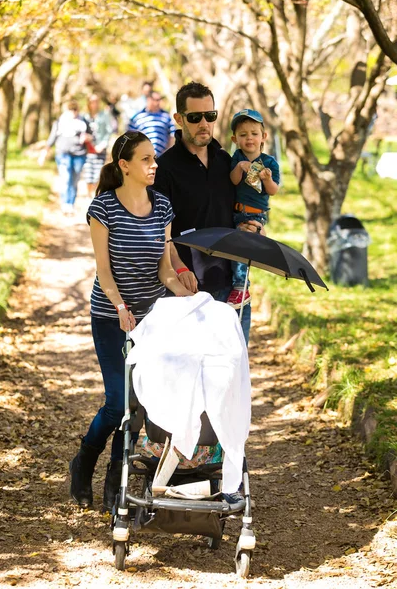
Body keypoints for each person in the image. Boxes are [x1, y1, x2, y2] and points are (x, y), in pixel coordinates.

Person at [69, 131, 194, 512]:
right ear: (124, 166)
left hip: (150, 321)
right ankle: (85, 458)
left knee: (140, 401)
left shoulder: (162, 207)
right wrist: (120, 305)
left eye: (153, 158)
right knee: (117, 401)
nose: (154, 165)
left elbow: (164, 269)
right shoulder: (103, 208)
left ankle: (115, 478)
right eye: (145, 159)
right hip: (111, 316)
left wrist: (183, 289)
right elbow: (103, 271)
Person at [153, 81, 263, 345]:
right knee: (193, 376)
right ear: (179, 119)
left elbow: (246, 207)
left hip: (233, 284)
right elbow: (159, 233)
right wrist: (178, 273)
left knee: (233, 370)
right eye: (195, 117)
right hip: (188, 290)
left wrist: (253, 226)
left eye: (209, 116)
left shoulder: (228, 162)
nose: (204, 123)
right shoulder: (164, 170)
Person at [227, 109, 280, 309]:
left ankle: (241, 287)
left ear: (263, 137)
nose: (249, 138)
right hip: (236, 211)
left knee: (241, 249)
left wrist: (266, 179)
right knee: (234, 249)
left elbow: (273, 191)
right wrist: (240, 167)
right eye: (243, 135)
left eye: (254, 133)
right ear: (235, 139)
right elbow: (233, 181)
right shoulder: (237, 157)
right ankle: (238, 286)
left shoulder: (269, 162)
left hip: (254, 213)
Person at [38, 100, 92, 214]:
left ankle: (71, 203)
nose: (73, 112)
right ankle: (65, 204)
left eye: (75, 109)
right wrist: (44, 153)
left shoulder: (83, 122)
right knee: (66, 178)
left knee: (75, 180)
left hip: (79, 154)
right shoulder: (60, 121)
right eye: (71, 109)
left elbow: (92, 136)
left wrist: (86, 137)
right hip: (63, 153)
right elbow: (52, 137)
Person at [127, 90, 176, 158]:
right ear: (149, 100)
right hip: (143, 157)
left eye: (159, 100)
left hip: (162, 157)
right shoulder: (137, 117)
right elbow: (130, 137)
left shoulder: (166, 116)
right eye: (156, 100)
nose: (158, 102)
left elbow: (172, 136)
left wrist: (167, 152)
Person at [83, 93, 113, 197]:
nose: (94, 104)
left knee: (97, 174)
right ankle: (89, 194)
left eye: (96, 101)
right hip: (87, 150)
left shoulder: (104, 115)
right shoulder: (85, 117)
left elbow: (109, 131)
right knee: (88, 174)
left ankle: (95, 196)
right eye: (92, 101)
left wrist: (103, 145)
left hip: (100, 149)